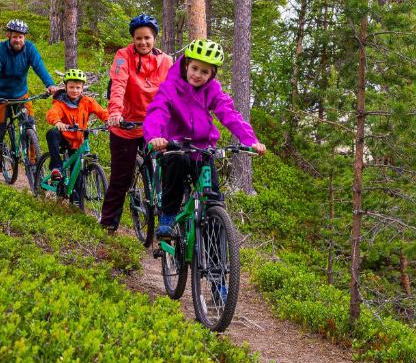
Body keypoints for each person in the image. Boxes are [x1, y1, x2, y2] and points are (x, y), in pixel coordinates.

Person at [144, 39, 266, 236]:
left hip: (203, 148)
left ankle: (215, 256)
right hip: (175, 145)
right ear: (186, 64)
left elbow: (229, 113)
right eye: (195, 68)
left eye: (204, 72)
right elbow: (158, 110)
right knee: (176, 164)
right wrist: (156, 136)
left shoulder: (213, 89)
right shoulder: (171, 86)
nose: (198, 75)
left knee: (214, 199)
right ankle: (168, 215)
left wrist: (250, 140)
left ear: (212, 74)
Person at [99, 14, 173, 231]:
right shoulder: (123, 56)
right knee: (121, 177)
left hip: (154, 126)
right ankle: (108, 224)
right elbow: (118, 85)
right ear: (133, 39)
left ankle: (167, 225)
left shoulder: (166, 61)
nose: (143, 42)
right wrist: (115, 112)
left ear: (155, 38)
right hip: (126, 125)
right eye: (138, 38)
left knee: (169, 172)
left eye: (147, 38)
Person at [0, 19, 59, 178]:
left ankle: (32, 164)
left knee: (30, 125)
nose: (18, 40)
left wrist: (50, 84)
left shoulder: (30, 49)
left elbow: (39, 67)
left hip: (21, 95)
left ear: (25, 38)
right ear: (8, 35)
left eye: (21, 37)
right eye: (15, 36)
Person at [45, 69, 109, 191]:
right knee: (52, 133)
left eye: (78, 88)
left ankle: (76, 203)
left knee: (77, 178)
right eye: (71, 87)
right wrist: (58, 122)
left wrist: (108, 121)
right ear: (65, 87)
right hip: (64, 137)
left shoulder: (88, 101)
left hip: (78, 140)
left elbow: (101, 112)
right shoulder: (60, 102)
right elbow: (52, 113)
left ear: (82, 88)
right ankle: (56, 168)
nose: (75, 90)